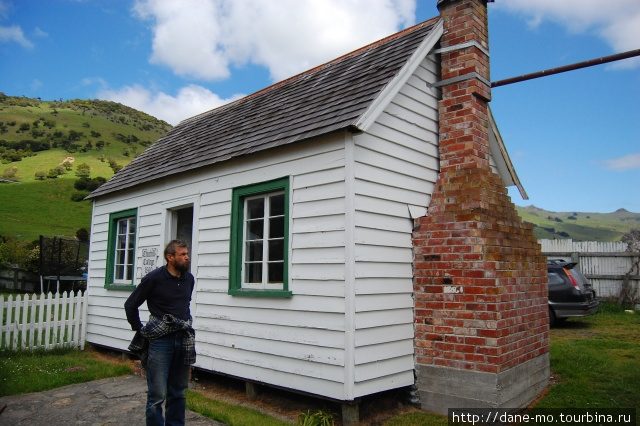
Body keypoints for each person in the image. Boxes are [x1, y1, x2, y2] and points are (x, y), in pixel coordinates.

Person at [125, 239, 196, 426]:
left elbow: (184, 305)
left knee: (178, 392)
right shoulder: (154, 278)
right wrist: (139, 329)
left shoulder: (189, 279)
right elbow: (130, 304)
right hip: (160, 341)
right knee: (156, 395)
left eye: (187, 253)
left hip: (183, 339)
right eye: (183, 254)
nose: (187, 257)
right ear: (170, 257)